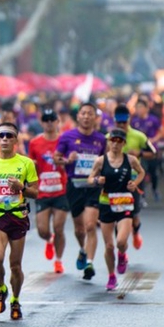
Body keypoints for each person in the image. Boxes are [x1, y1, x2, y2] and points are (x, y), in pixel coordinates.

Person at [0, 123, 39, 321]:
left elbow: (36, 192)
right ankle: (2, 288)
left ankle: (15, 299)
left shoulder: (26, 163)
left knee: (15, 265)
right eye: (1, 135)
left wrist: (22, 187)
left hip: (18, 216)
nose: (4, 139)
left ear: (15, 140)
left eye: (9, 136)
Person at [54, 102, 107, 282]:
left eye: (90, 114)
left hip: (93, 186)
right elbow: (56, 158)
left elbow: (106, 161)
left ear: (95, 117)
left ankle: (90, 263)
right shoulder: (67, 137)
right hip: (74, 185)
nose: (86, 116)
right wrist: (68, 160)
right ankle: (83, 250)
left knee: (91, 225)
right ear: (78, 116)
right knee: (79, 228)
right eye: (83, 113)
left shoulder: (101, 139)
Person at [87, 129, 145, 291]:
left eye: (119, 141)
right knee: (109, 246)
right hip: (106, 204)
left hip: (125, 203)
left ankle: (122, 255)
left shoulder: (130, 160)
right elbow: (90, 178)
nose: (115, 144)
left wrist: (135, 183)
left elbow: (141, 172)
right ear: (108, 142)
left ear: (123, 143)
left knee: (120, 241)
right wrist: (98, 179)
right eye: (113, 140)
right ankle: (111, 276)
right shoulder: (101, 161)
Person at [29, 108, 68, 273]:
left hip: (61, 190)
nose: (49, 122)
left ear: (58, 121)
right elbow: (30, 165)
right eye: (46, 119)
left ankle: (58, 261)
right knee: (43, 230)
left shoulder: (64, 141)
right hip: (42, 191)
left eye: (52, 119)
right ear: (42, 122)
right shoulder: (34, 143)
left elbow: (71, 161)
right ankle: (49, 240)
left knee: (59, 227)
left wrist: (64, 162)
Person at [112, 106, 154, 250]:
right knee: (118, 216)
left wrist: (139, 153)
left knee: (134, 216)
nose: (121, 125)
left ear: (129, 120)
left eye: (124, 122)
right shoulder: (108, 138)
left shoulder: (139, 136)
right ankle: (122, 247)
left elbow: (153, 152)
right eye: (119, 123)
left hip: (134, 182)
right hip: (115, 183)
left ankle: (135, 233)